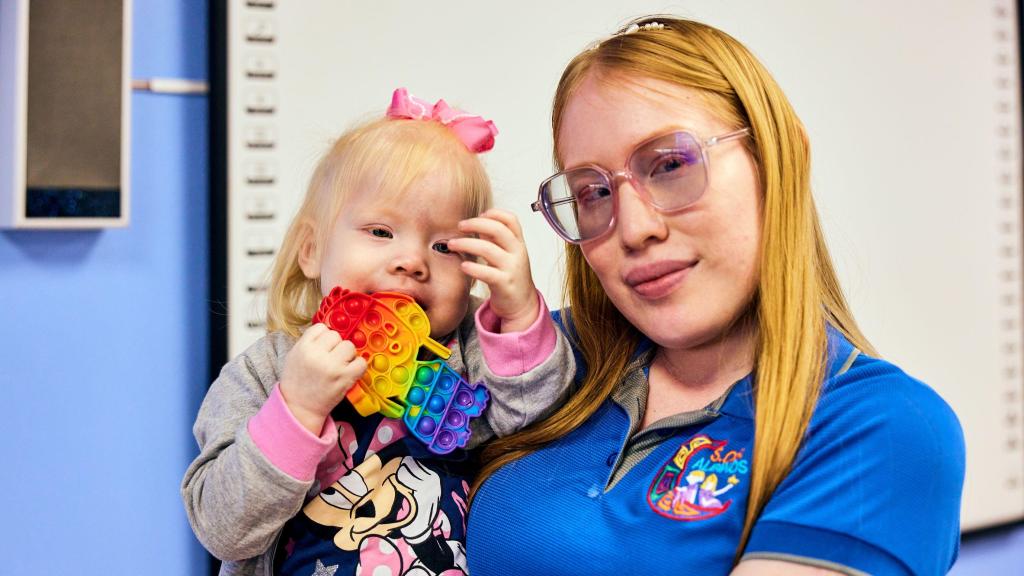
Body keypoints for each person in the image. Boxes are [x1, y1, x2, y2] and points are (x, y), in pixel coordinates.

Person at [466, 17, 965, 576]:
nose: (633, 229)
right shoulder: (532, 364)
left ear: (779, 158)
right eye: (593, 192)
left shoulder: (880, 430)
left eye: (672, 164)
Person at [182, 88, 573, 576]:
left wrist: (516, 315)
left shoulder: (470, 351)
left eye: (443, 246)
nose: (411, 261)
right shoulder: (265, 373)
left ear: (472, 271)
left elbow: (542, 422)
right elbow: (223, 528)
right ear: (311, 249)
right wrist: (297, 409)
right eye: (381, 232)